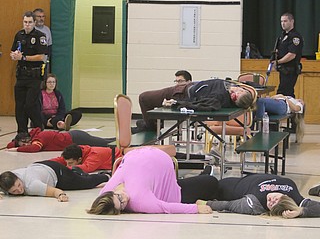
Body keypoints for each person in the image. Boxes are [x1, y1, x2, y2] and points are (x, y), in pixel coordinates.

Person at [87, 147, 218, 214]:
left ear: (111, 192)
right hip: (175, 193)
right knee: (211, 182)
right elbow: (167, 208)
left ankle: (201, 173)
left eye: (119, 198)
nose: (125, 200)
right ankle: (204, 174)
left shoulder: (104, 193)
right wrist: (196, 209)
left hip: (159, 176)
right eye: (122, 205)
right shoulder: (140, 202)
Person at [138, 78, 255, 131]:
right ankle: (150, 125)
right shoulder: (229, 88)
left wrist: (177, 103)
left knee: (144, 98)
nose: (238, 89)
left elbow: (197, 104)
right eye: (241, 90)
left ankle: (150, 129)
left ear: (234, 97)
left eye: (239, 92)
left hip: (180, 93)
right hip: (188, 86)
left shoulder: (219, 97)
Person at [197, 173, 320, 218]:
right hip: (248, 176)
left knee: (210, 182)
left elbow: (227, 205)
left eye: (271, 205)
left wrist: (202, 204)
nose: (271, 200)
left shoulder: (254, 204)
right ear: (285, 197)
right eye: (276, 199)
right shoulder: (295, 196)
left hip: (228, 186)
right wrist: (301, 211)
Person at [10, 11, 48, 134]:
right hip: (21, 75)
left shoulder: (39, 36)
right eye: (25, 22)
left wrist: (24, 57)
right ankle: (22, 132)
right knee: (20, 107)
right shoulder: (19, 35)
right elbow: (13, 51)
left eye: (30, 22)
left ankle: (38, 129)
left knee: (30, 105)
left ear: (34, 23)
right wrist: (14, 55)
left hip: (34, 76)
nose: (27, 25)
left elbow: (41, 57)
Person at [0, 160, 109, 202]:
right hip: (40, 165)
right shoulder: (6, 181)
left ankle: (106, 176)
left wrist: (61, 195)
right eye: (14, 191)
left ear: (18, 178)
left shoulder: (32, 186)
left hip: (57, 173)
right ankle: (77, 171)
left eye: (19, 185)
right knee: (79, 177)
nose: (19, 190)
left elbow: (54, 191)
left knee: (85, 183)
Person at [6, 127, 116, 152]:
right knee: (105, 142)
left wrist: (17, 149)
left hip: (76, 138)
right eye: (22, 145)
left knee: (106, 143)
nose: (26, 145)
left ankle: (131, 132)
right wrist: (14, 145)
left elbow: (35, 148)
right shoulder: (35, 136)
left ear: (28, 138)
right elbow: (9, 145)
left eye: (25, 142)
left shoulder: (38, 138)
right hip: (75, 137)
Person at [273, 12, 303, 98]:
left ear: (292, 21)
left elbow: (292, 54)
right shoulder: (282, 36)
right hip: (283, 70)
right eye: (281, 21)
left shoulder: (295, 37)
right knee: (287, 93)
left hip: (290, 70)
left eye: (285, 21)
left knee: (283, 93)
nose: (283, 23)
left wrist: (278, 62)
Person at [50, 144, 122, 174]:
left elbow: (87, 168)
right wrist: (45, 163)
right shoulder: (78, 151)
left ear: (79, 159)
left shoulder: (94, 155)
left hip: (122, 158)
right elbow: (61, 159)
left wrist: (65, 169)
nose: (68, 165)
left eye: (70, 163)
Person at [33, 8, 52, 73]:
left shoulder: (47, 30)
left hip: (44, 62)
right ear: (34, 18)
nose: (41, 18)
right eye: (39, 16)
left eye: (43, 16)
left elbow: (49, 46)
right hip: (32, 61)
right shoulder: (30, 29)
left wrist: (47, 60)